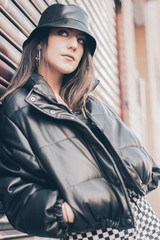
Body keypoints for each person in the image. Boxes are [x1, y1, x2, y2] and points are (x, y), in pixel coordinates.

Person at [0, 3, 160, 240]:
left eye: (82, 40)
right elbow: (17, 197)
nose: (74, 45)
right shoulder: (18, 107)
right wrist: (66, 211)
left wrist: (131, 180)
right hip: (92, 231)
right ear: (41, 41)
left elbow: (145, 163)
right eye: (63, 33)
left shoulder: (90, 104)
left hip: (142, 216)